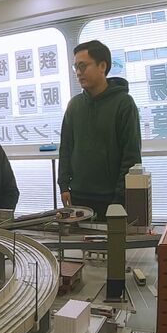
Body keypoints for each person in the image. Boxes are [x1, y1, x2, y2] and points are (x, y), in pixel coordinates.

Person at [58, 40, 142, 221]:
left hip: (111, 197)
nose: (78, 72)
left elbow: (131, 156)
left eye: (83, 66)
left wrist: (119, 198)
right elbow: (65, 148)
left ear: (102, 66)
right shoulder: (74, 105)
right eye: (76, 67)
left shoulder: (124, 103)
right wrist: (63, 185)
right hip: (78, 196)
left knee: (112, 240)